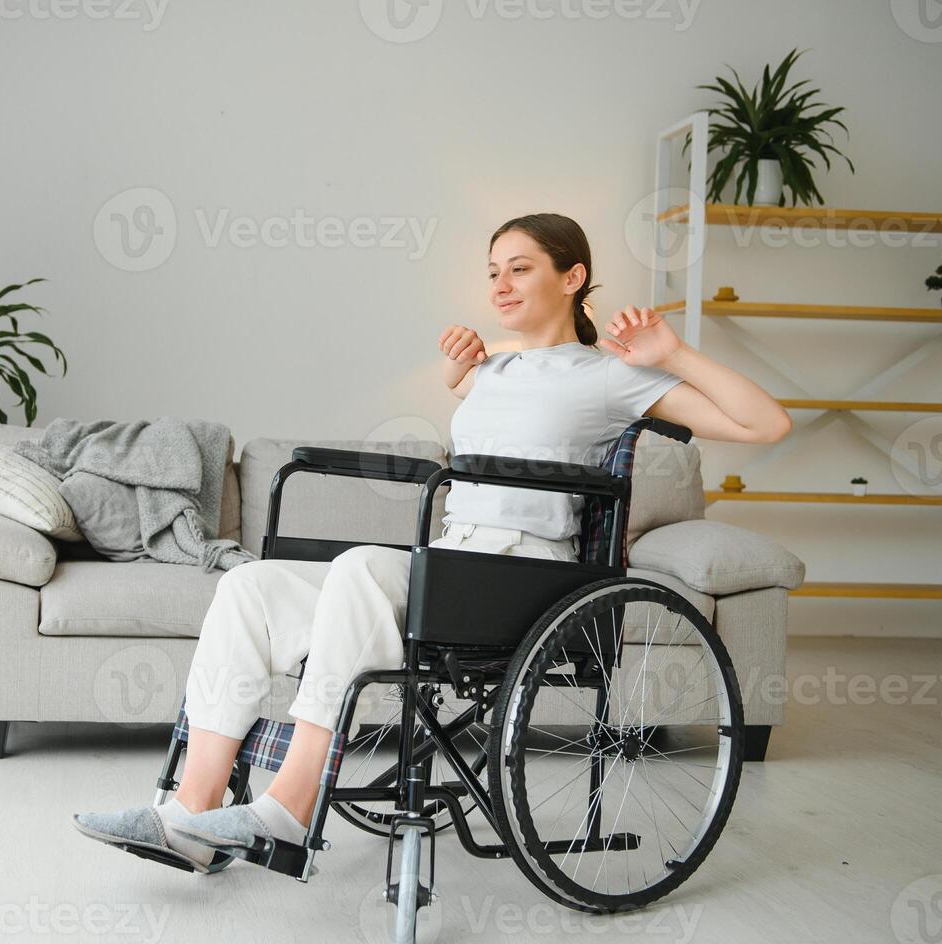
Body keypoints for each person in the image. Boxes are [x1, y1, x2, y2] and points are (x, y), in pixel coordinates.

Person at [72, 212, 792, 872]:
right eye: (491, 272)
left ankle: (289, 808)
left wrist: (673, 351)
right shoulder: (496, 367)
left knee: (360, 568)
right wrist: (460, 362)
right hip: (456, 563)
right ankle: (188, 816)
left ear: (571, 278)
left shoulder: (612, 375)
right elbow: (480, 401)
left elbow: (765, 425)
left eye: (519, 268)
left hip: (523, 577)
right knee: (248, 585)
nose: (500, 284)